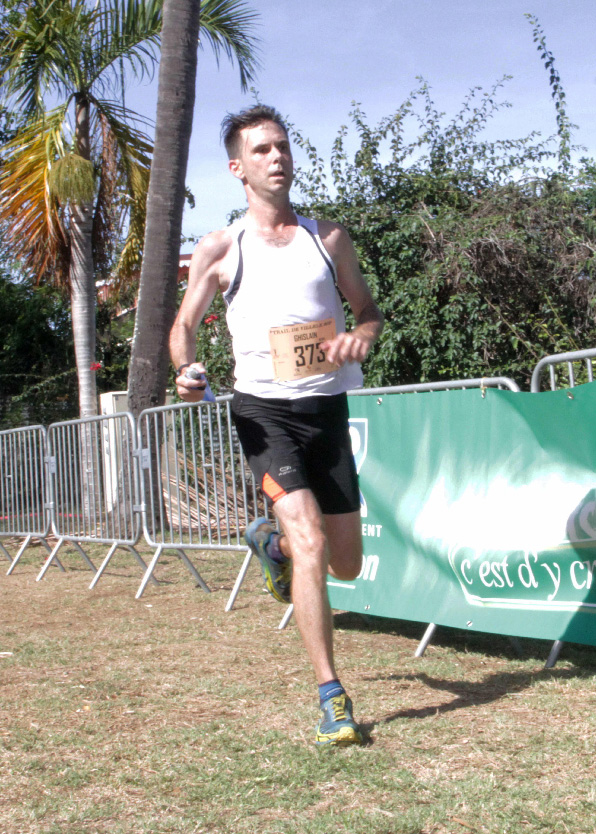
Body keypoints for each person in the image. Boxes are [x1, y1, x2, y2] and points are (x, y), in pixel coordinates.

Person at [169, 104, 384, 748]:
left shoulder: (330, 239)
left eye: (283, 146)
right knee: (312, 542)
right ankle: (332, 694)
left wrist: (360, 339)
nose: (277, 157)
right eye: (261, 150)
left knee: (345, 564)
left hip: (327, 411)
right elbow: (183, 325)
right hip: (262, 413)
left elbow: (369, 312)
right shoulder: (220, 247)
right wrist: (186, 369)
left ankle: (270, 546)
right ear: (237, 167)